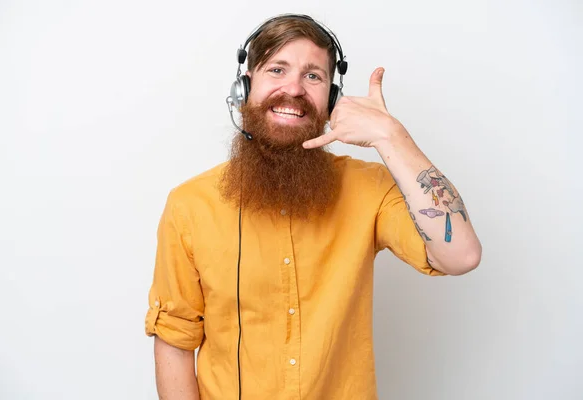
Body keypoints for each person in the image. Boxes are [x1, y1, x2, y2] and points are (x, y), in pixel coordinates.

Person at [144, 13, 481, 400]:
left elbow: (461, 255)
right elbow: (175, 339)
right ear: (244, 86)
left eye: (313, 76)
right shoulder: (190, 205)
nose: (294, 89)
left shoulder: (369, 188)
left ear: (332, 99)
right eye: (277, 69)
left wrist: (391, 135)